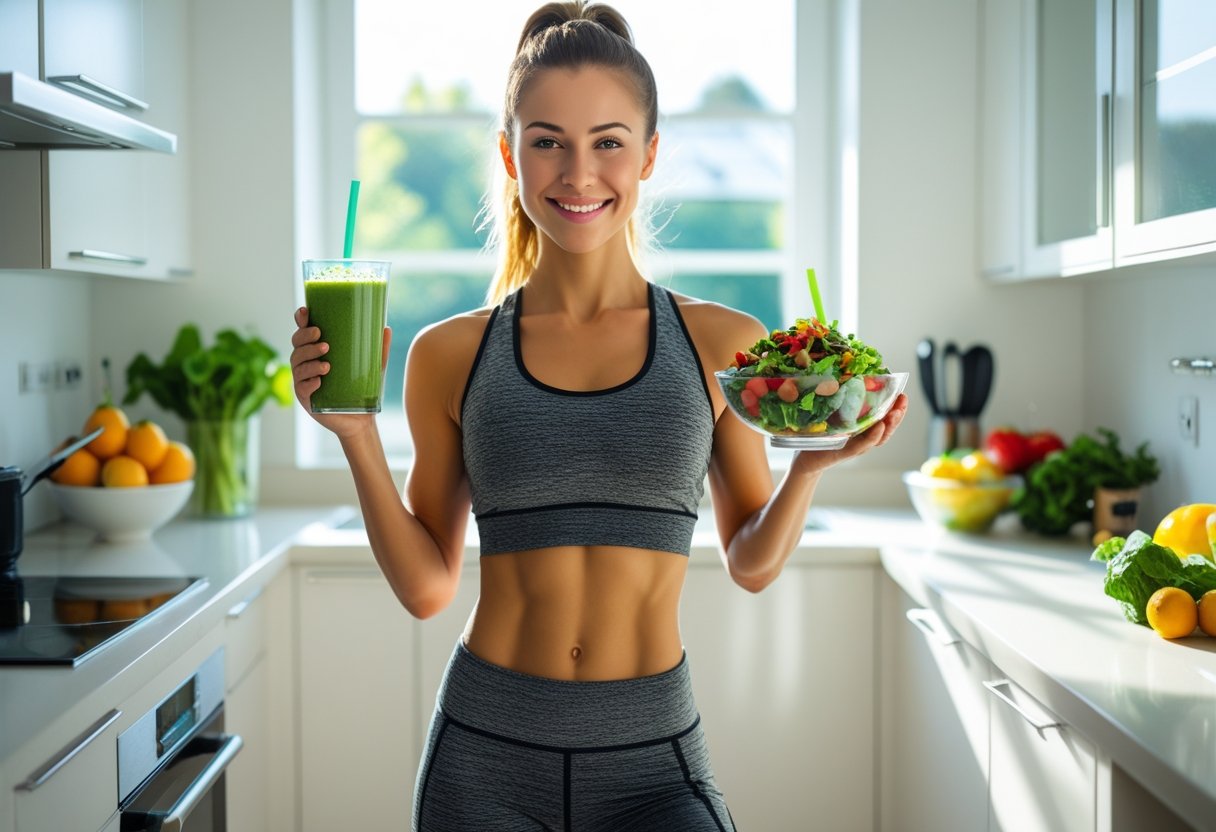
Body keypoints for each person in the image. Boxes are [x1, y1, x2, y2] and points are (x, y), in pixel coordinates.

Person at [290, 2, 908, 829]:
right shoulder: (449, 353)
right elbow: (429, 589)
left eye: (608, 142)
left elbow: (752, 561)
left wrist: (810, 465)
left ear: (649, 155)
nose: (579, 174)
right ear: (510, 155)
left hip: (654, 764)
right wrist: (357, 437)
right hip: (484, 757)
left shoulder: (722, 343)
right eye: (547, 142)